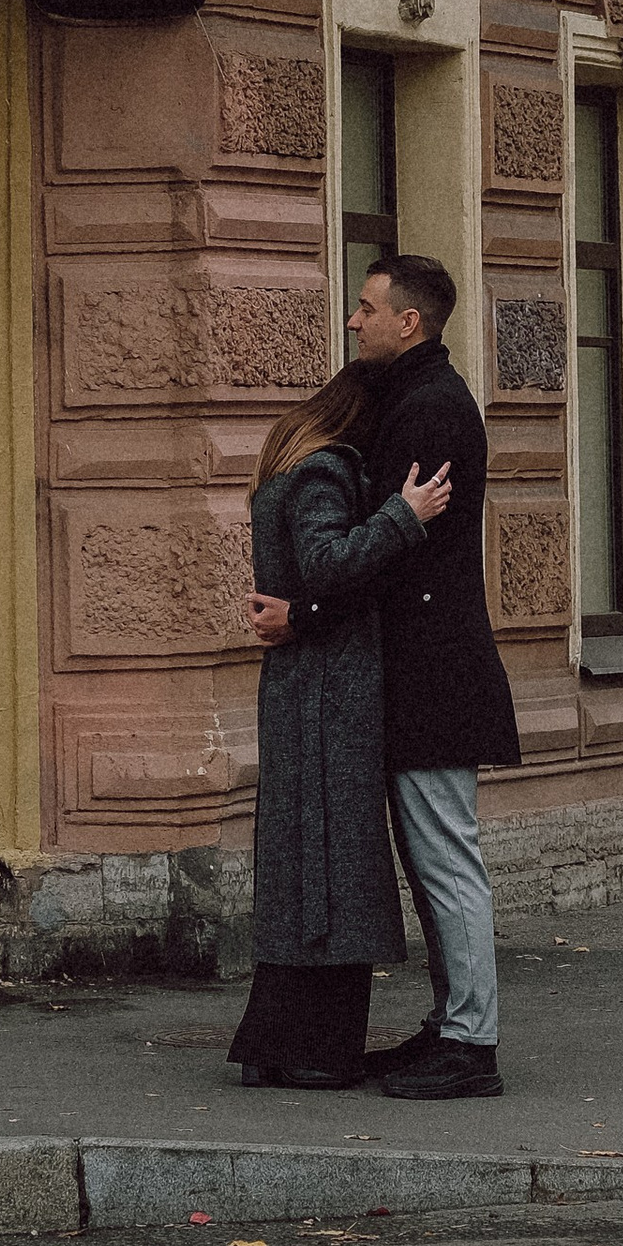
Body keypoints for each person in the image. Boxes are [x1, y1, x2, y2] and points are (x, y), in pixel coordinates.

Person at [250, 252, 521, 1099]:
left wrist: (306, 617)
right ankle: (450, 1025)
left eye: (366, 307)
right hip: (420, 675)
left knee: (445, 862)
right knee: (435, 859)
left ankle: (471, 1043)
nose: (353, 320)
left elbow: (405, 566)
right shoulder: (414, 400)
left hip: (433, 678)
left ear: (410, 321)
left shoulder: (427, 411)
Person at [230, 364, 452, 1091]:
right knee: (331, 860)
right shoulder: (326, 471)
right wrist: (402, 517)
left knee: (308, 858)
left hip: (306, 687)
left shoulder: (291, 468)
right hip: (330, 692)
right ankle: (313, 1050)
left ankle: (281, 1043)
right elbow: (327, 564)